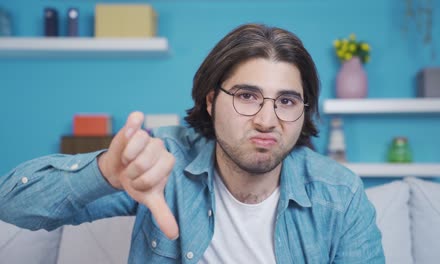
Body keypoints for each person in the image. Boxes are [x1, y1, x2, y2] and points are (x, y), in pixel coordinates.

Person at [0, 23, 384, 263]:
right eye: (247, 96)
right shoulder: (163, 167)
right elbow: (11, 205)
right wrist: (106, 173)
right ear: (211, 101)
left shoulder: (341, 195)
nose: (268, 120)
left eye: (286, 101)